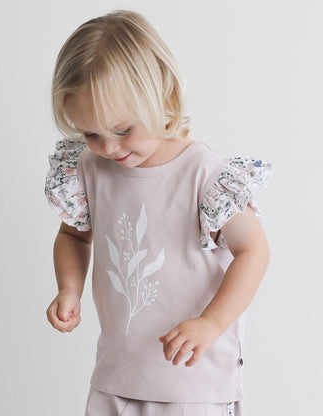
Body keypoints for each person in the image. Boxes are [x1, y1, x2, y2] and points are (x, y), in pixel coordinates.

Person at [45, 10, 272, 416]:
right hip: (117, 375)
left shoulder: (204, 175)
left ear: (164, 99)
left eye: (122, 130)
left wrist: (211, 323)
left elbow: (253, 252)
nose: (109, 148)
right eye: (91, 134)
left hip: (192, 382)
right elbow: (74, 236)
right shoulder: (90, 169)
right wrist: (69, 288)